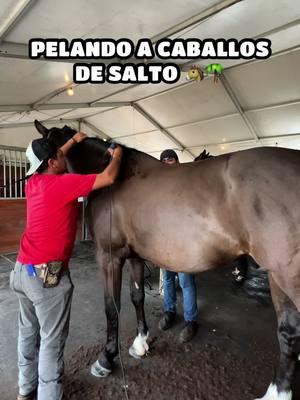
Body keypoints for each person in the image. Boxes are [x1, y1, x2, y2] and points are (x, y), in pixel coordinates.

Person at [10, 132, 123, 400]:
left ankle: (26, 388)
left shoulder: (34, 182)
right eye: (60, 155)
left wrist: (72, 141)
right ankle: (50, 396)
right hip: (46, 279)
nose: (65, 156)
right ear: (51, 163)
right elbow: (108, 178)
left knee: (28, 333)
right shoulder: (64, 184)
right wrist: (118, 155)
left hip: (21, 272)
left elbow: (55, 153)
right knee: (51, 341)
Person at [158, 149, 198, 343]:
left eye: (171, 159)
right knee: (167, 280)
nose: (167, 162)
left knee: (186, 282)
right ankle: (169, 311)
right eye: (164, 160)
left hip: (183, 243)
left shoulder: (187, 183)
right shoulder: (157, 188)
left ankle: (191, 320)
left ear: (177, 161)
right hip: (164, 243)